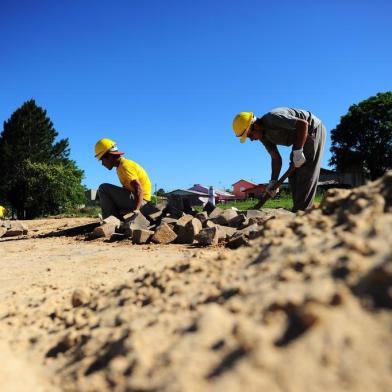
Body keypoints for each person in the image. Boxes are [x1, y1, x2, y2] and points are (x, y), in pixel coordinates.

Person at [232, 108, 326, 212]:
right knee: (293, 175)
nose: (251, 139)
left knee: (305, 172)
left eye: (250, 135)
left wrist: (298, 152)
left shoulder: (273, 119)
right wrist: (273, 181)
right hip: (299, 138)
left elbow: (303, 124)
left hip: (313, 129)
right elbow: (276, 158)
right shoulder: (263, 137)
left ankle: (303, 211)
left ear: (256, 126)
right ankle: (299, 209)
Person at [94, 138, 152, 219]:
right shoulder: (120, 167)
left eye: (102, 160)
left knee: (103, 188)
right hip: (139, 200)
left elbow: (139, 188)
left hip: (142, 202)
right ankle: (115, 218)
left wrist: (137, 209)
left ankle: (110, 220)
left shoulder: (125, 166)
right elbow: (127, 190)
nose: (102, 164)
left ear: (110, 156)